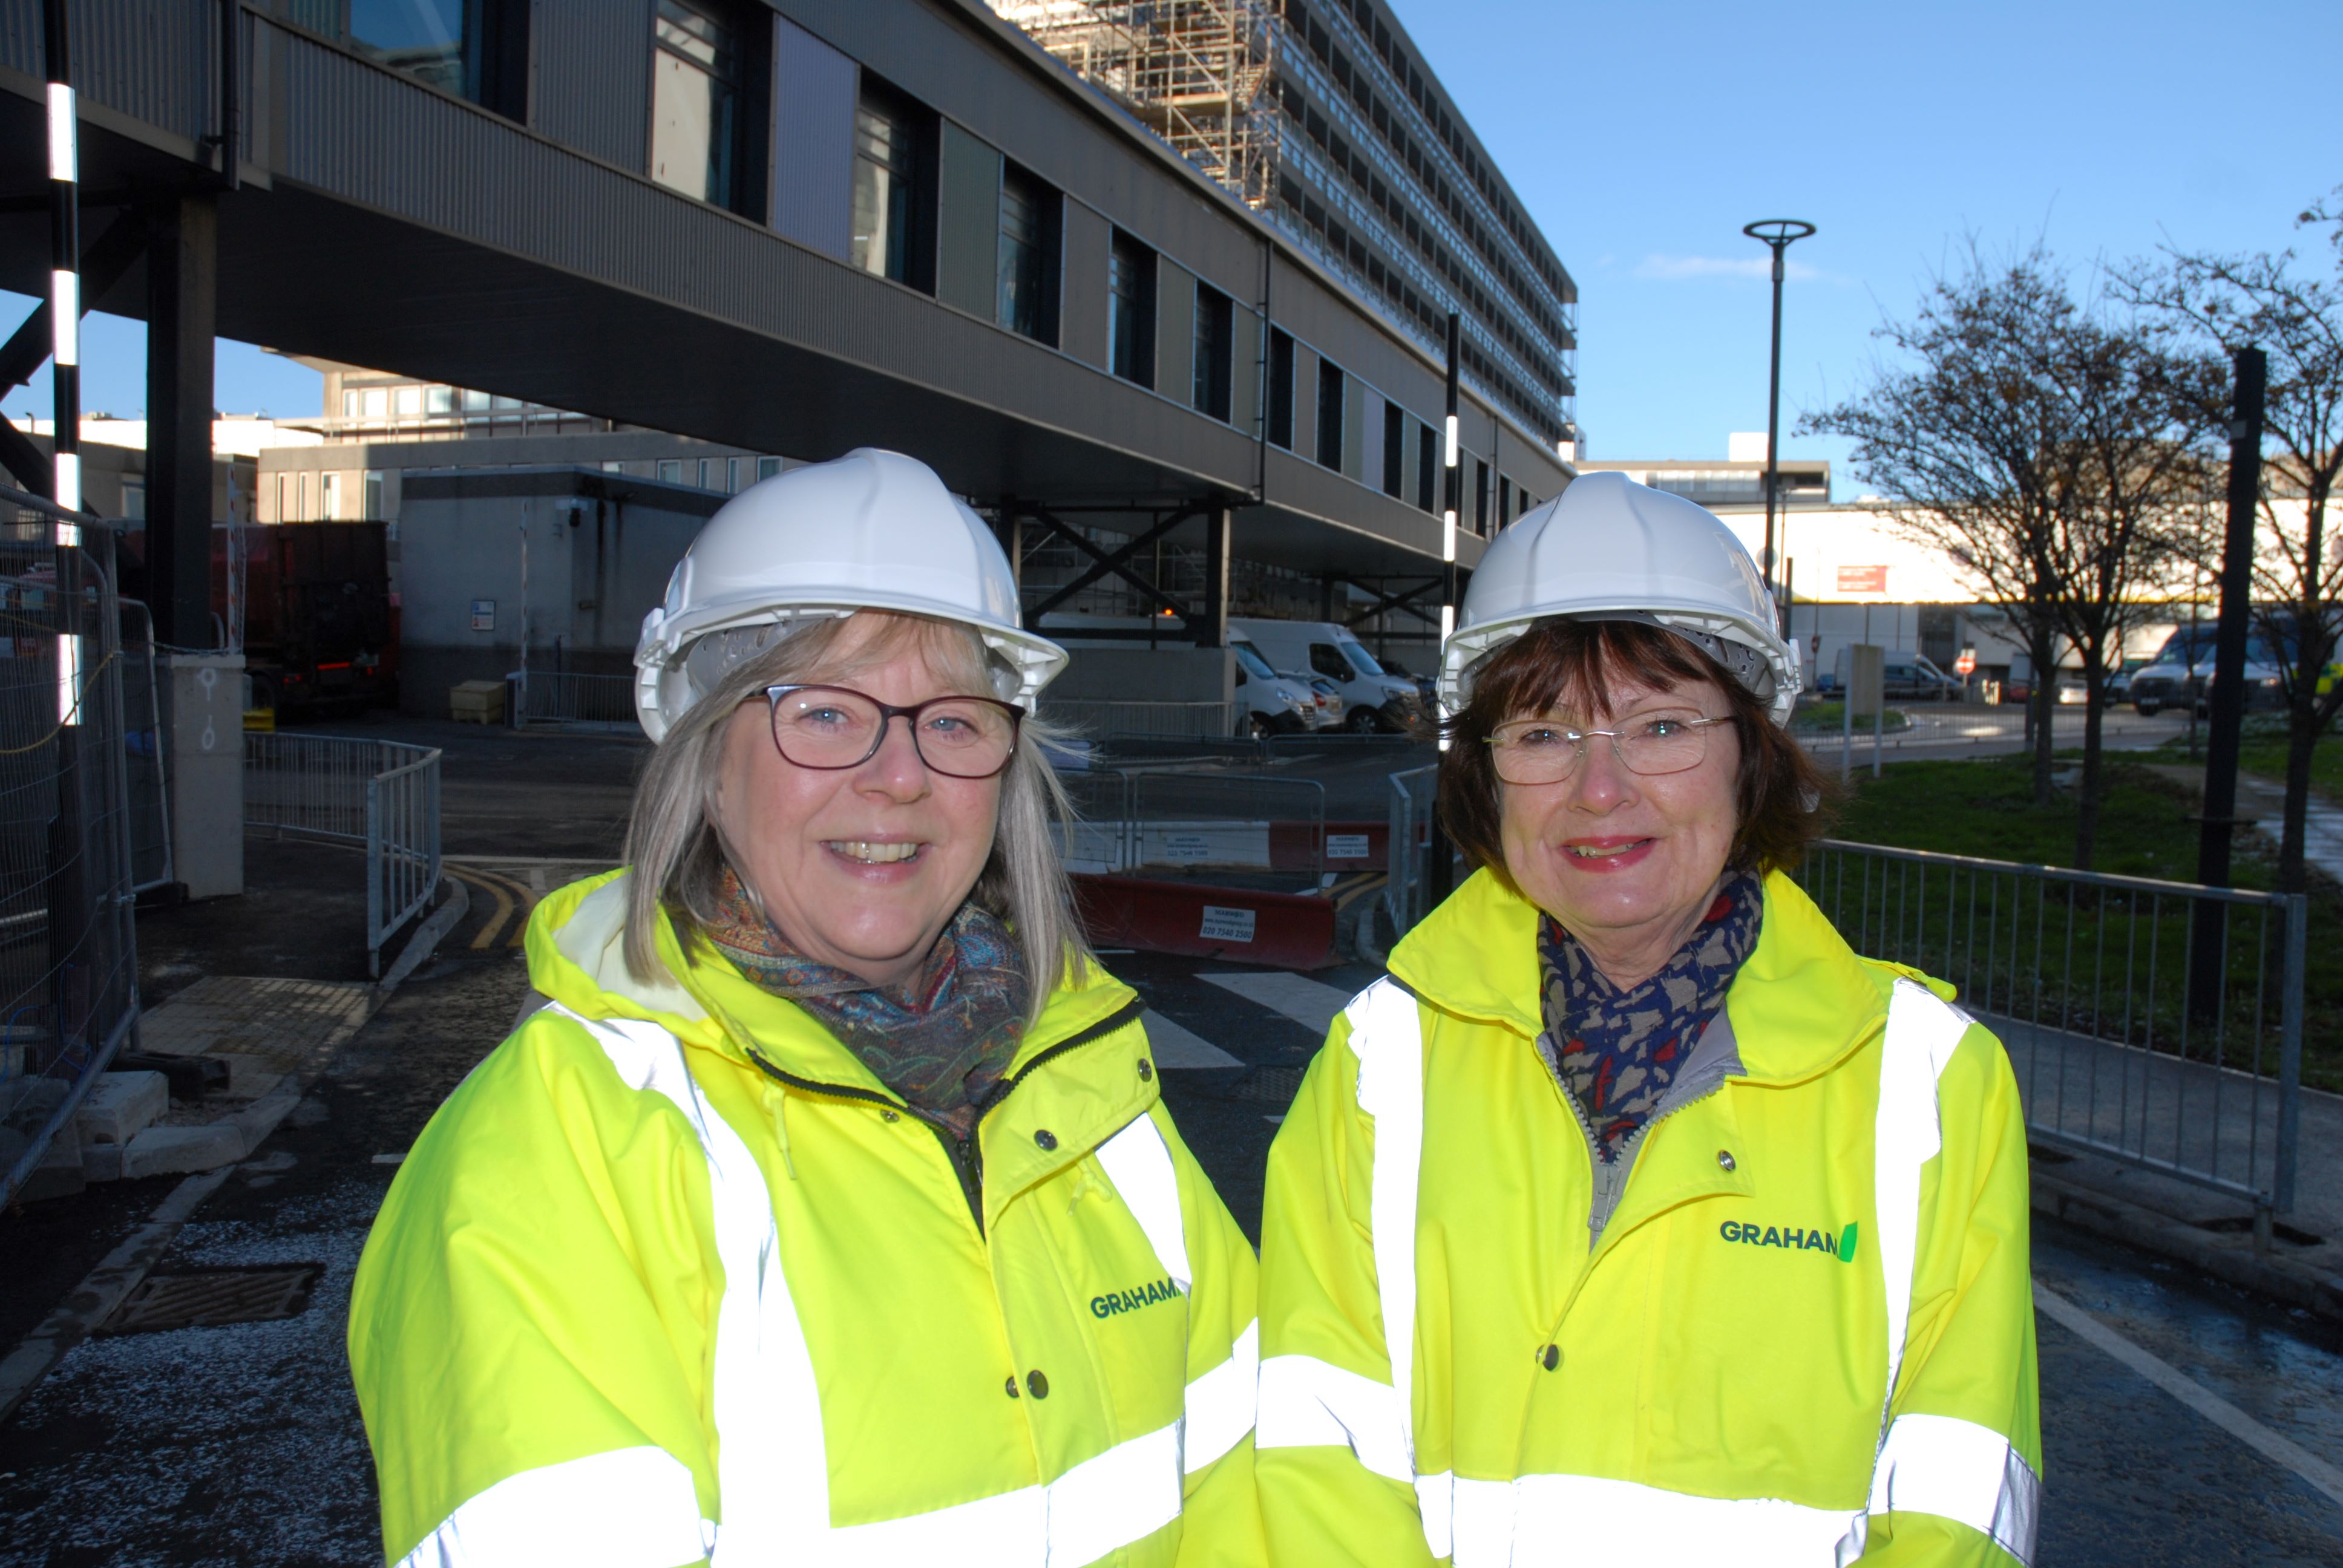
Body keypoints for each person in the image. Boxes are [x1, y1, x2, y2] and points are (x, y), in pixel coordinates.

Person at [349, 449, 1262, 1567]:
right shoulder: (552, 1158)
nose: (899, 777)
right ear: (704, 752)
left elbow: (1246, 1495)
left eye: (955, 720)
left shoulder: (1096, 1091)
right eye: (826, 714)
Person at [1255, 471, 2039, 1566]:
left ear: (1751, 755)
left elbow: (1960, 1495)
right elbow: (1310, 1456)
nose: (1601, 791)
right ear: (1487, 778)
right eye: (1542, 736)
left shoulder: (1929, 1079)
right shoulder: (1381, 1062)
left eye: (1661, 727)